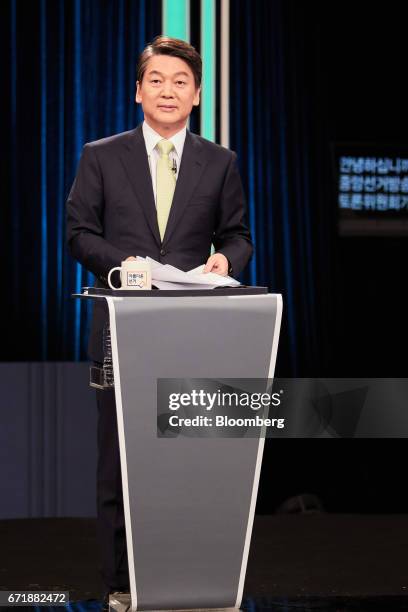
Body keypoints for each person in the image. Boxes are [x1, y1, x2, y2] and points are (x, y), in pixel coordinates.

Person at [66, 35, 253, 598]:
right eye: (157, 80)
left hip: (195, 333)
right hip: (123, 331)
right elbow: (78, 233)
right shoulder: (101, 155)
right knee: (119, 463)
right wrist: (121, 265)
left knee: (189, 464)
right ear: (137, 91)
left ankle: (187, 576)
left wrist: (226, 259)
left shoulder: (221, 162)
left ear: (197, 95)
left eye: (180, 82)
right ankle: (120, 585)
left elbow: (238, 235)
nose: (167, 90)